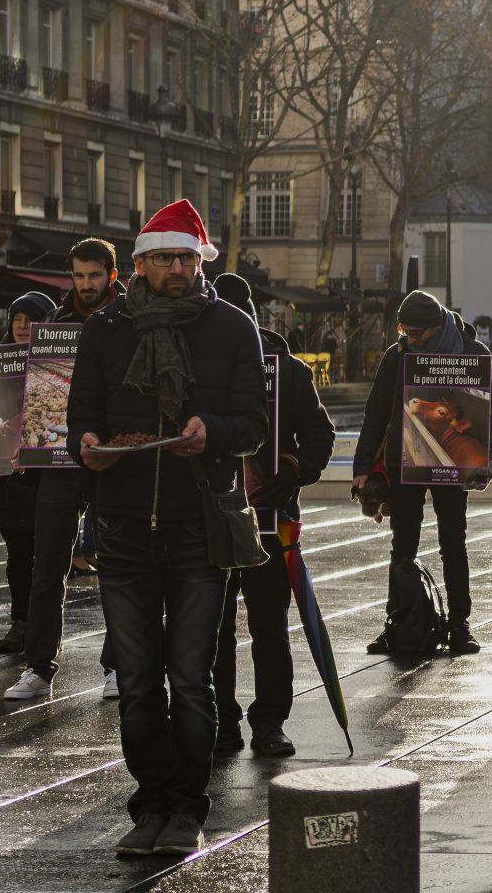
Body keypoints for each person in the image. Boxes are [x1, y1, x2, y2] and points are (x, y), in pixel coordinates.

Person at [67, 199, 268, 857]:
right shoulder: (104, 331)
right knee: (135, 685)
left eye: (186, 258)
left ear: (201, 261)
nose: (176, 269)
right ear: (141, 264)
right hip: (121, 527)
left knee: (191, 680)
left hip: (194, 527)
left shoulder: (233, 328)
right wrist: (90, 444)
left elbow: (254, 426)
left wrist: (212, 435)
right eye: (164, 259)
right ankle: (148, 802)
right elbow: (79, 422)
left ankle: (186, 806)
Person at [209, 273, 335, 759]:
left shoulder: (289, 373)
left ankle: (269, 721)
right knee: (214, 625)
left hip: (269, 518)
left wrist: (297, 470)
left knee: (267, 624)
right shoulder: (200, 367)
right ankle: (222, 719)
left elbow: (320, 437)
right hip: (215, 517)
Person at [353, 290, 492, 657]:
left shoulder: (474, 354)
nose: (409, 339)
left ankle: (459, 625)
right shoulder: (398, 355)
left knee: (454, 542)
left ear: (438, 327)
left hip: (455, 467)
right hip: (404, 463)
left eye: (417, 334)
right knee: (402, 544)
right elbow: (376, 413)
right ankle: (397, 621)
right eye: (405, 331)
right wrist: (360, 469)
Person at [10, 240, 124, 702]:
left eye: (94, 275)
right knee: (47, 564)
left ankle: (118, 665)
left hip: (112, 456)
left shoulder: (128, 321)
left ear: (112, 274)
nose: (87, 284)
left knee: (118, 565)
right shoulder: (55, 326)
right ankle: (39, 666)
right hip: (60, 459)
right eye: (78, 276)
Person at [0, 291, 55, 658]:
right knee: (18, 557)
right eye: (17, 319)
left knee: (48, 558)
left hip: (48, 480)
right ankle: (22, 620)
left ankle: (43, 624)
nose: (23, 326)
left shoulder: (57, 361)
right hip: (8, 482)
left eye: (31, 319)